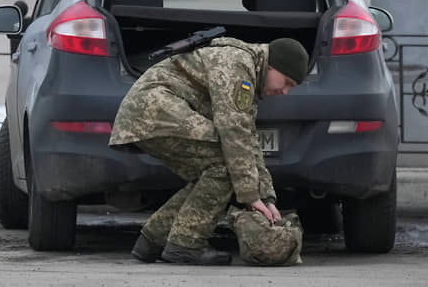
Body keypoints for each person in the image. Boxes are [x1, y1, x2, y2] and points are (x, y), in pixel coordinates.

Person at [108, 36, 309, 265]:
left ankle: (153, 240)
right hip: (154, 111)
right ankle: (186, 244)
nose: (285, 92)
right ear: (273, 67)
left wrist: (266, 197)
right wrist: (250, 196)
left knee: (210, 175)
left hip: (149, 114)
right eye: (286, 83)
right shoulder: (238, 65)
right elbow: (233, 133)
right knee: (223, 168)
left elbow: (248, 140)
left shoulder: (249, 71)